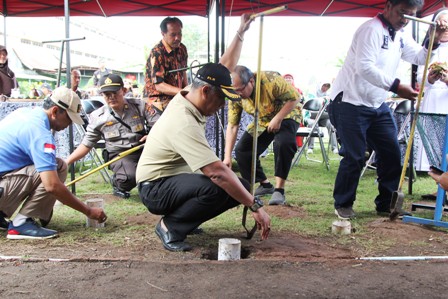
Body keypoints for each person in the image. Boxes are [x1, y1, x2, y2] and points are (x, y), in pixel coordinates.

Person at [137, 15, 270, 252]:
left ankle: (184, 218)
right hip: (154, 188)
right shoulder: (184, 121)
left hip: (171, 180)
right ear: (207, 91)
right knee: (219, 184)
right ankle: (170, 225)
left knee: (238, 185)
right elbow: (216, 172)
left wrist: (240, 31)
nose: (222, 106)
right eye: (221, 100)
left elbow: (224, 66)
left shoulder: (192, 92)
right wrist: (255, 205)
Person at [327, 0, 446, 219]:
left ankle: (385, 203)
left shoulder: (400, 34)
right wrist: (396, 86)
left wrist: (434, 39)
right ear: (388, 6)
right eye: (402, 13)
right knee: (354, 155)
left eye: (411, 16)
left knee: (391, 153)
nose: (405, 20)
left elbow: (420, 57)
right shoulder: (370, 30)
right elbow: (365, 67)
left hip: (376, 105)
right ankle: (343, 203)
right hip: (349, 102)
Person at [0, 86, 107, 238]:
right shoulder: (40, 133)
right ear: (55, 111)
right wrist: (88, 211)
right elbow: (52, 185)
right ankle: (21, 224)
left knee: (52, 165)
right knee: (58, 167)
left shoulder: (23, 113)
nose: (69, 124)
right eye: (69, 118)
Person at [221, 22, 302, 206]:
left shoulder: (271, 80)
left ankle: (280, 190)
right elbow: (232, 126)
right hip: (264, 119)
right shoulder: (235, 95)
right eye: (235, 92)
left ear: (251, 80)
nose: (238, 94)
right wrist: (226, 157)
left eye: (241, 89)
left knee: (284, 142)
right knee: (242, 150)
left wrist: (279, 117)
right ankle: (264, 184)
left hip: (288, 113)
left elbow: (295, 98)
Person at [66, 74, 151, 199]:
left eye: (115, 93)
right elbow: (87, 144)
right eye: (106, 94)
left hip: (144, 150)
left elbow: (159, 123)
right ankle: (118, 183)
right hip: (120, 155)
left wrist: (152, 135)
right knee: (130, 177)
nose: (111, 97)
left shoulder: (139, 106)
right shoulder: (98, 117)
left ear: (124, 90)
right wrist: (67, 161)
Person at [144, 17, 188, 126]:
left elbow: (183, 73)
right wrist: (183, 92)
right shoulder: (157, 52)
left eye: (180, 34)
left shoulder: (182, 49)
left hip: (176, 99)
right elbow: (159, 85)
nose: (177, 38)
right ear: (163, 33)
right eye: (173, 35)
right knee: (163, 136)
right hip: (157, 103)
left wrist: (187, 92)